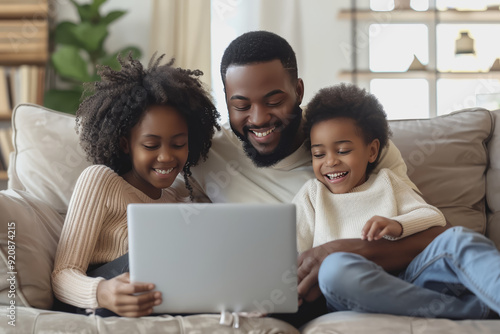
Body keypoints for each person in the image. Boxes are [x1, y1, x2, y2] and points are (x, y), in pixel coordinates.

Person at [176, 30, 448, 325]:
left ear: (299, 91)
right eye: (241, 106)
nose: (258, 119)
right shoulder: (206, 153)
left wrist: (335, 251)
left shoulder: (352, 143)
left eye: (273, 101)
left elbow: (434, 235)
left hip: (343, 292)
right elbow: (159, 226)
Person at [297, 83, 500, 319]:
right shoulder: (312, 194)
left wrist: (398, 225)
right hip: (353, 290)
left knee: (459, 239)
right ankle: (474, 309)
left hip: (412, 277)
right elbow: (293, 254)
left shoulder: (387, 181)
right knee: (333, 269)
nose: (330, 162)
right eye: (319, 154)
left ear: (372, 151)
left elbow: (434, 218)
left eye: (342, 151)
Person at [51, 54, 220, 317]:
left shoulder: (176, 198)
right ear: (124, 144)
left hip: (155, 303)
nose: (166, 157)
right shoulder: (100, 180)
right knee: (148, 258)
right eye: (151, 145)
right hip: (99, 300)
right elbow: (63, 274)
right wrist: (103, 292)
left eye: (178, 144)